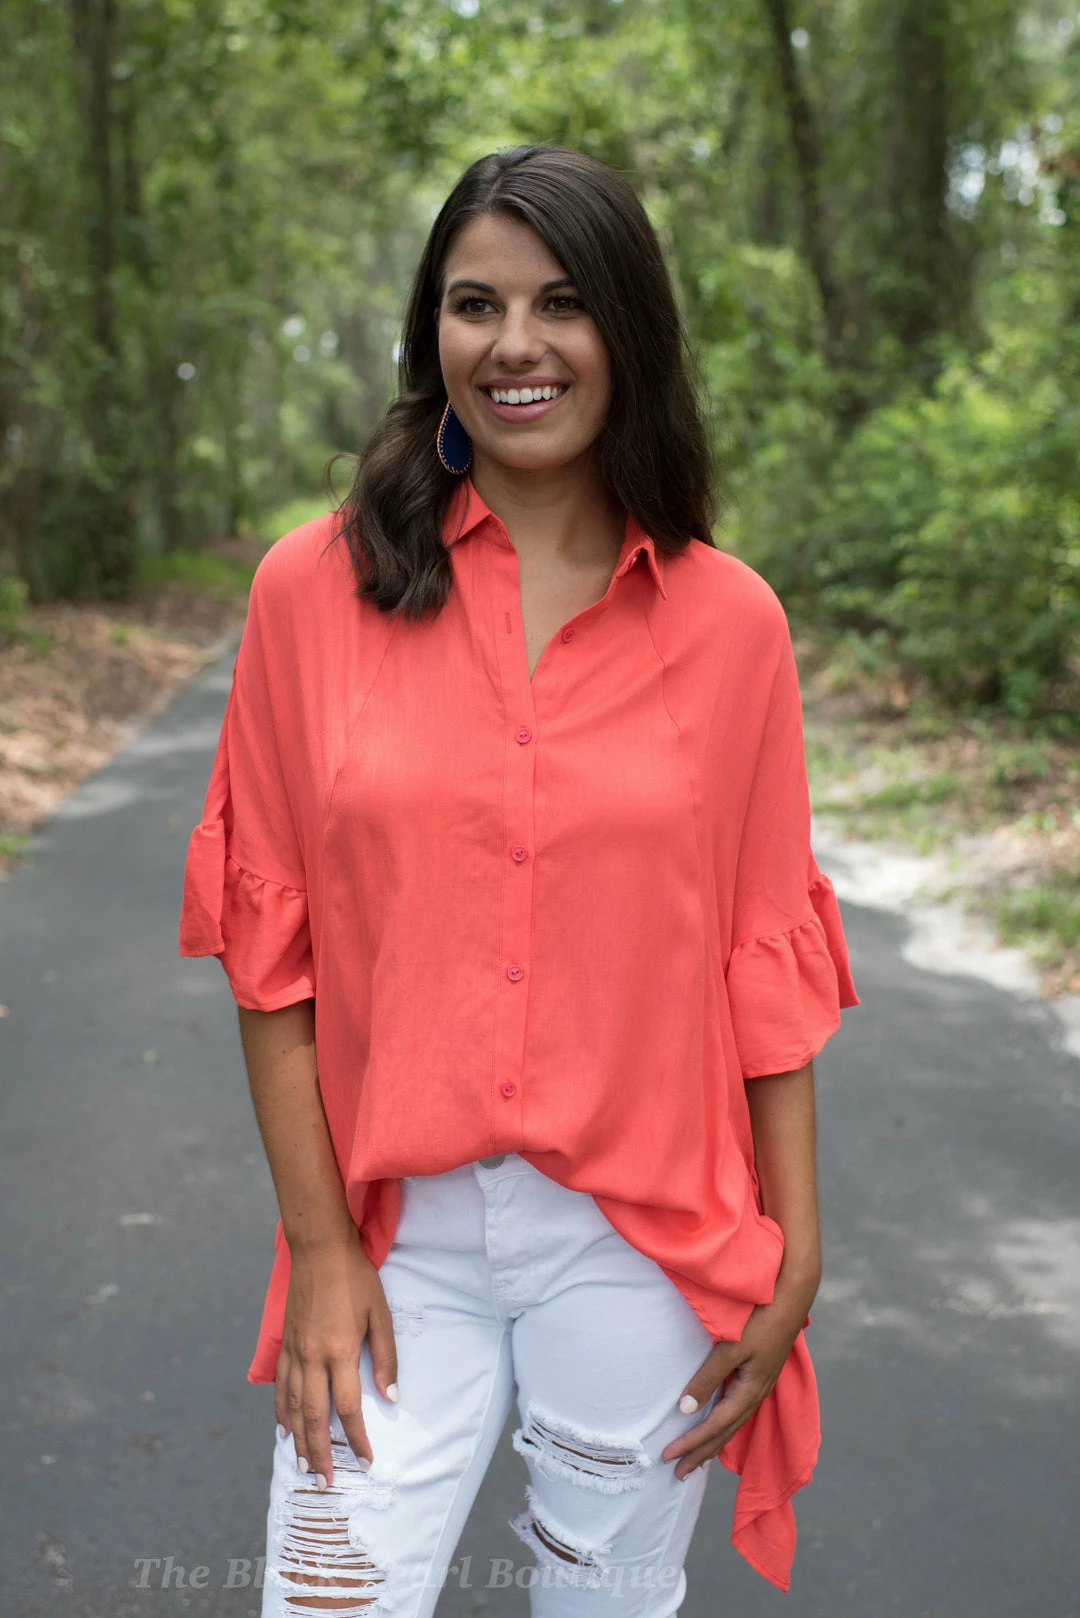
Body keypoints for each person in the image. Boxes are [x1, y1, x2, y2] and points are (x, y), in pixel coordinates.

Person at [178, 143, 858, 1618]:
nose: (516, 344)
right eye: (475, 304)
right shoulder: (310, 593)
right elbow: (269, 948)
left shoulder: (733, 625)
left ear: (630, 329)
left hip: (641, 1245)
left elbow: (763, 957)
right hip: (392, 1238)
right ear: (432, 332)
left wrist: (795, 1254)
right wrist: (320, 1245)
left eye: (563, 303)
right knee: (325, 1598)